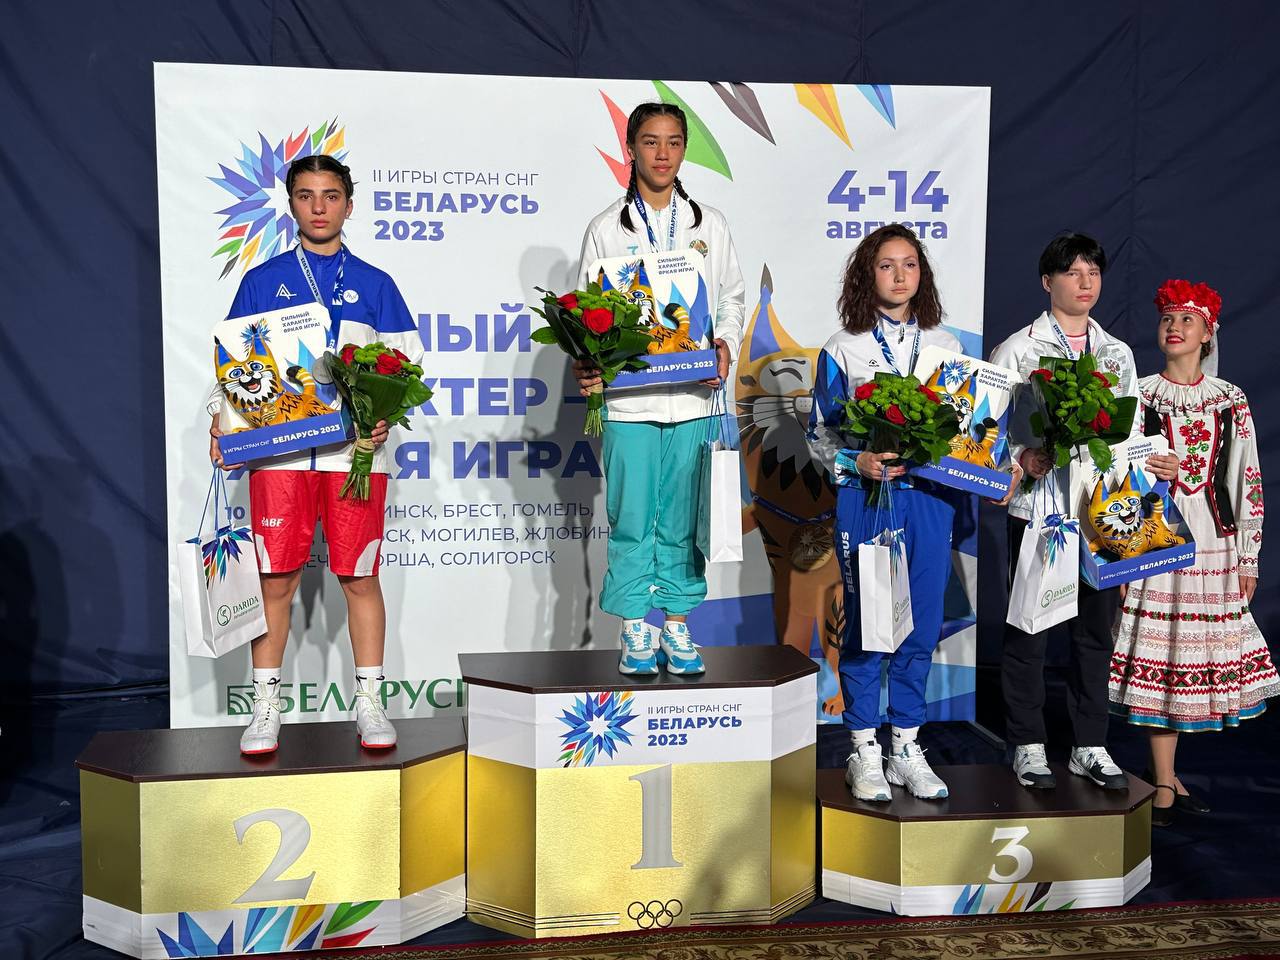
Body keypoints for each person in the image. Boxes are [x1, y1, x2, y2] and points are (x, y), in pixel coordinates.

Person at [209, 154, 422, 755]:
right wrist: (222, 423)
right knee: (275, 580)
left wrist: (383, 415)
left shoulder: (376, 283)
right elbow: (234, 366)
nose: (319, 207)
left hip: (354, 455)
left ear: (349, 205)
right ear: (291, 205)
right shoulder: (262, 280)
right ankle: (265, 709)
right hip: (280, 458)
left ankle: (371, 704)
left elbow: (406, 366)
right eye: (306, 196)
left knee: (360, 576)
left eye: (331, 195)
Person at [807, 223, 1021, 801]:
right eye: (886, 265)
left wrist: (994, 469)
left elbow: (974, 428)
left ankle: (905, 744)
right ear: (867, 274)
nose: (899, 275)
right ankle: (862, 748)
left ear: (921, 274)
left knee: (920, 625)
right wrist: (856, 461)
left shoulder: (947, 347)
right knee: (869, 626)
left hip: (930, 498)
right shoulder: (843, 347)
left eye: (909, 264)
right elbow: (820, 433)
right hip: (867, 498)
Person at [990, 233, 1179, 791]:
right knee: (1029, 629)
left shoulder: (1116, 353)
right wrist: (1022, 458)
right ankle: (1027, 743)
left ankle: (1089, 743)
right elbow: (986, 431)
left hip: (1102, 510)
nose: (1085, 282)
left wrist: (1157, 460)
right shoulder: (1018, 350)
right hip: (1039, 510)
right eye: (1073, 272)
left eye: (1093, 272)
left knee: (1097, 632)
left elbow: (1129, 433)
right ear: (1047, 282)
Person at [571, 101, 745, 676]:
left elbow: (731, 297)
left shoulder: (709, 224)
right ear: (631, 149)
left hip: (694, 396)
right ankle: (633, 627)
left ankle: (676, 621)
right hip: (629, 400)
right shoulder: (606, 228)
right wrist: (588, 360)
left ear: (684, 149)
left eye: (673, 141)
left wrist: (724, 344)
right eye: (650, 141)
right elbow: (587, 312)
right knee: (630, 516)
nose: (662, 153)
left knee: (682, 520)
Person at [1109, 279, 1276, 826]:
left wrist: (1249, 555)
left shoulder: (1229, 399)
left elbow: (1247, 478)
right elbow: (1111, 469)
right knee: (1162, 660)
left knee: (1188, 657)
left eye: (1186, 320)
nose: (1174, 328)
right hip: (1154, 536)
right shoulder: (1140, 394)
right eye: (1167, 319)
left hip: (1212, 540)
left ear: (1208, 334)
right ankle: (1163, 780)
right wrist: (1146, 467)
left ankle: (1166, 774)